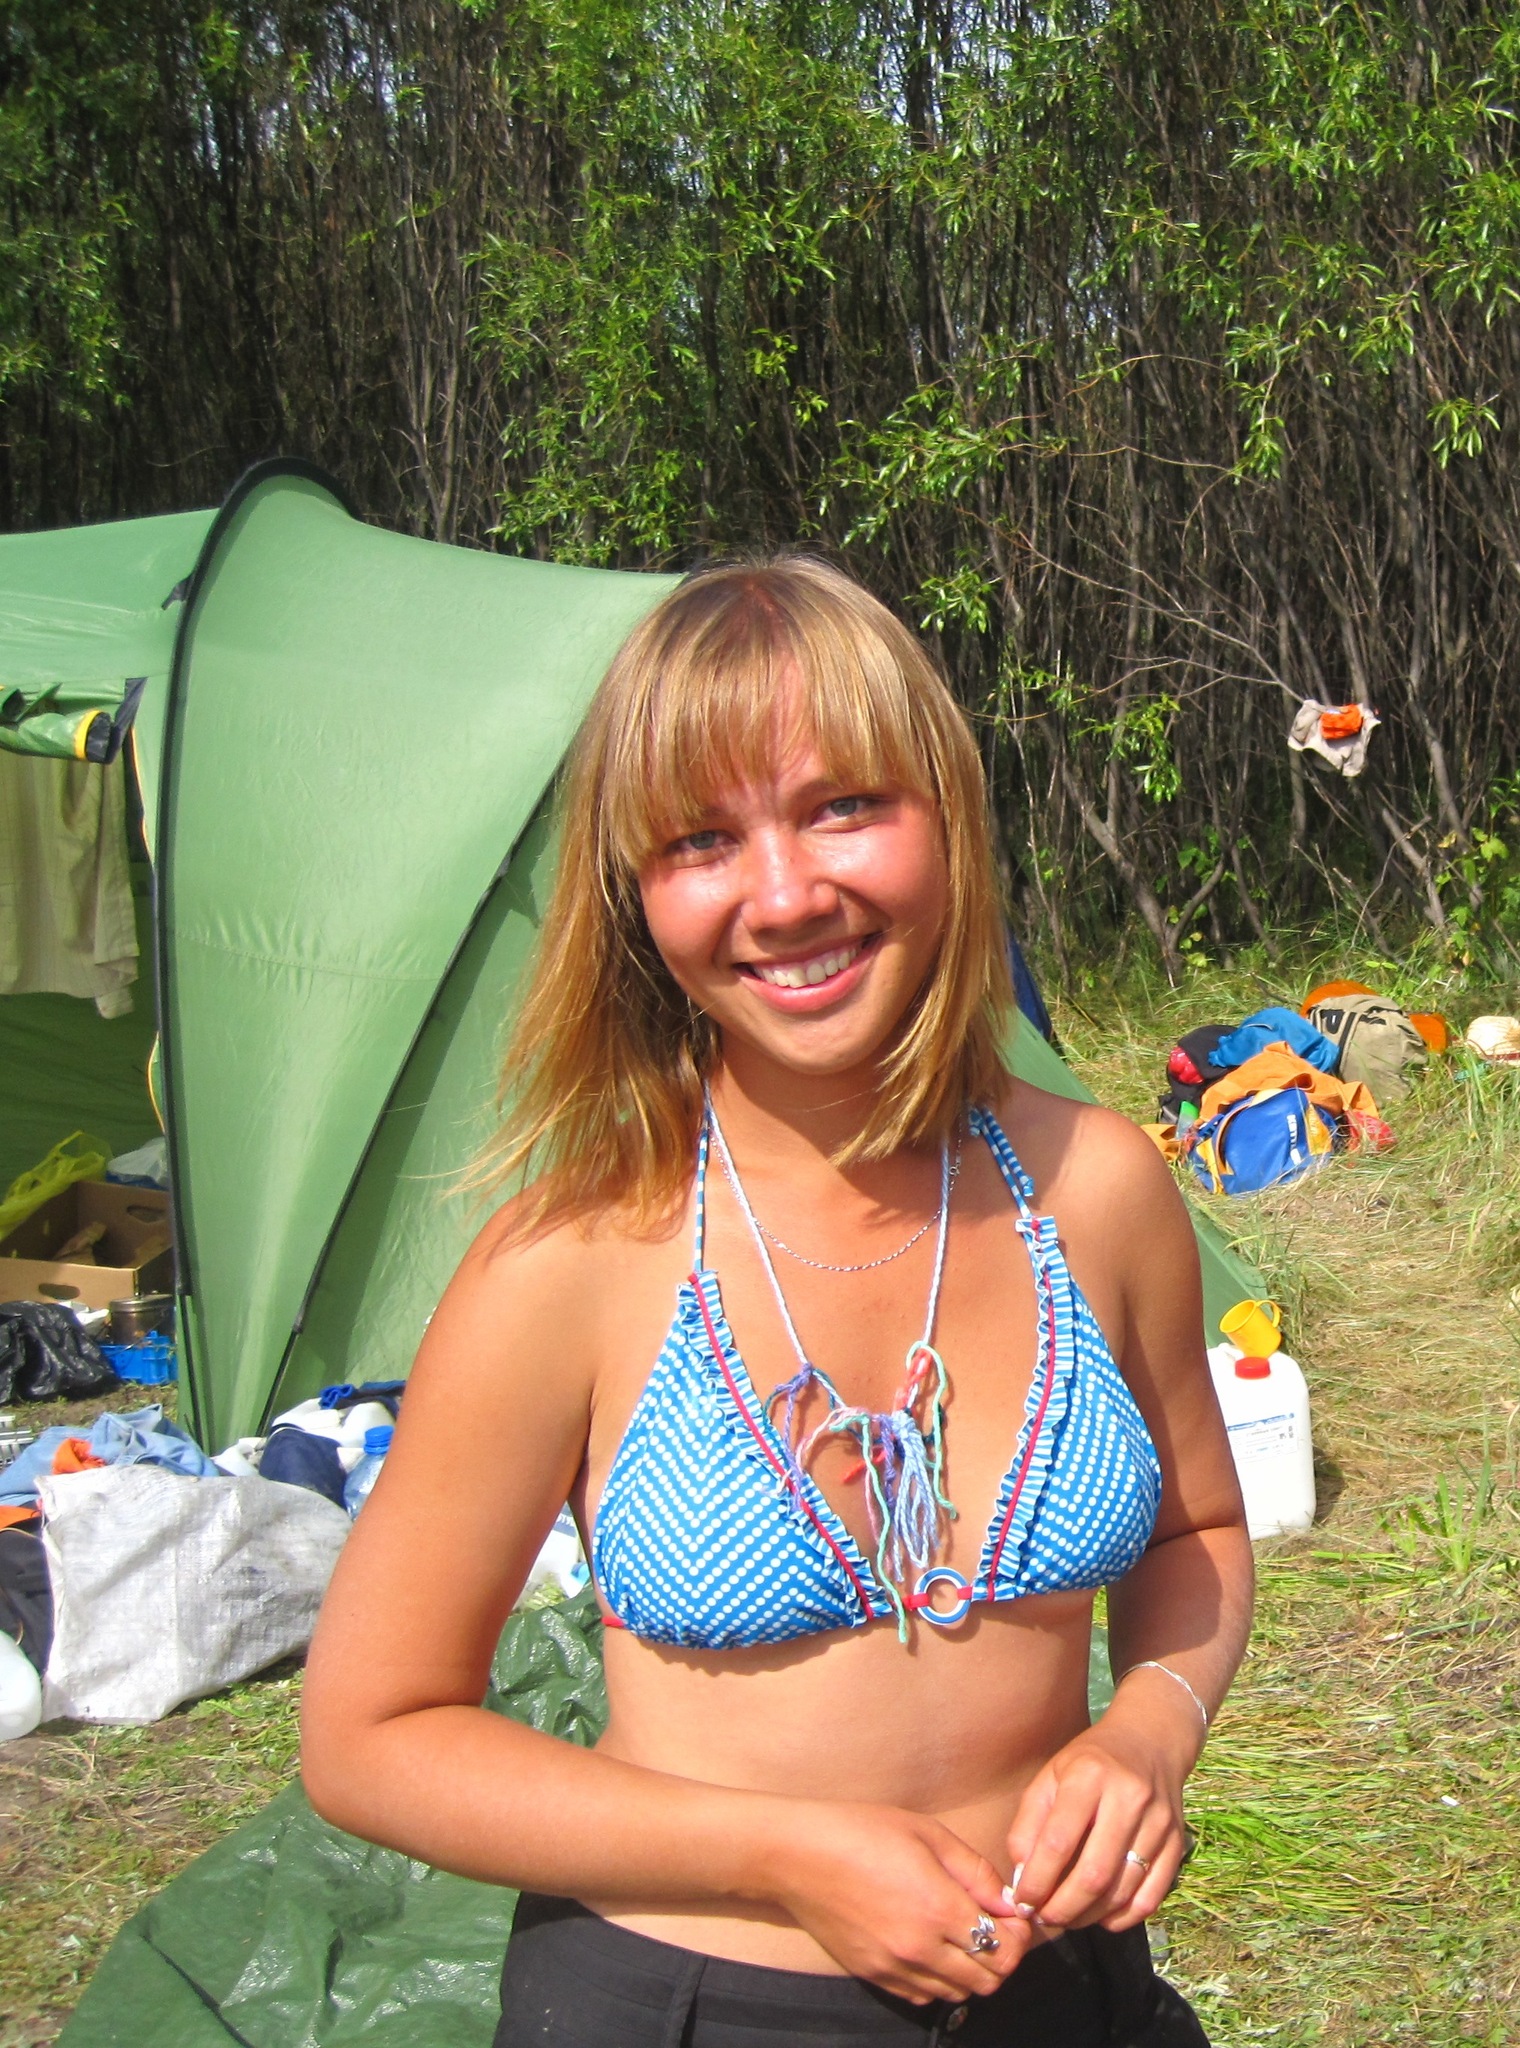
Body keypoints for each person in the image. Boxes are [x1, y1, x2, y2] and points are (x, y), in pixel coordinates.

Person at [301, 558, 1253, 2046]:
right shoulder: (570, 1262)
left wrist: (1147, 1731)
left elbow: (1197, 1533)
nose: (788, 894)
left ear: (950, 815)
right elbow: (370, 1736)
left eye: (843, 807)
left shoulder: (1100, 1189)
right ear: (634, 897)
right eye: (701, 840)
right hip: (688, 2005)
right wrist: (783, 1856)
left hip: (1066, 1991)